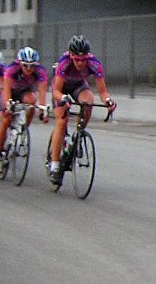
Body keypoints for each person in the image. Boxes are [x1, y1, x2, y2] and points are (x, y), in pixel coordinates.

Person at [48, 35, 116, 184]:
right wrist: (63, 98)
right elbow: (56, 91)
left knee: (88, 102)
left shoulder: (94, 64)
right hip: (62, 89)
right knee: (61, 121)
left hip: (78, 85)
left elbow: (102, 92)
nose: (80, 63)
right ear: (71, 56)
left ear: (88, 57)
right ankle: (54, 165)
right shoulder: (64, 62)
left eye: (83, 59)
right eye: (77, 60)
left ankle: (78, 134)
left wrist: (108, 101)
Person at [0, 47, 49, 173]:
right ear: (20, 63)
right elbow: (6, 90)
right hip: (11, 92)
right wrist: (8, 105)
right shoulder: (12, 69)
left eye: (32, 66)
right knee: (6, 119)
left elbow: (42, 92)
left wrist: (42, 110)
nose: (29, 69)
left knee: (32, 102)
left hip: (25, 92)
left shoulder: (41, 71)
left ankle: (23, 131)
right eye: (25, 66)